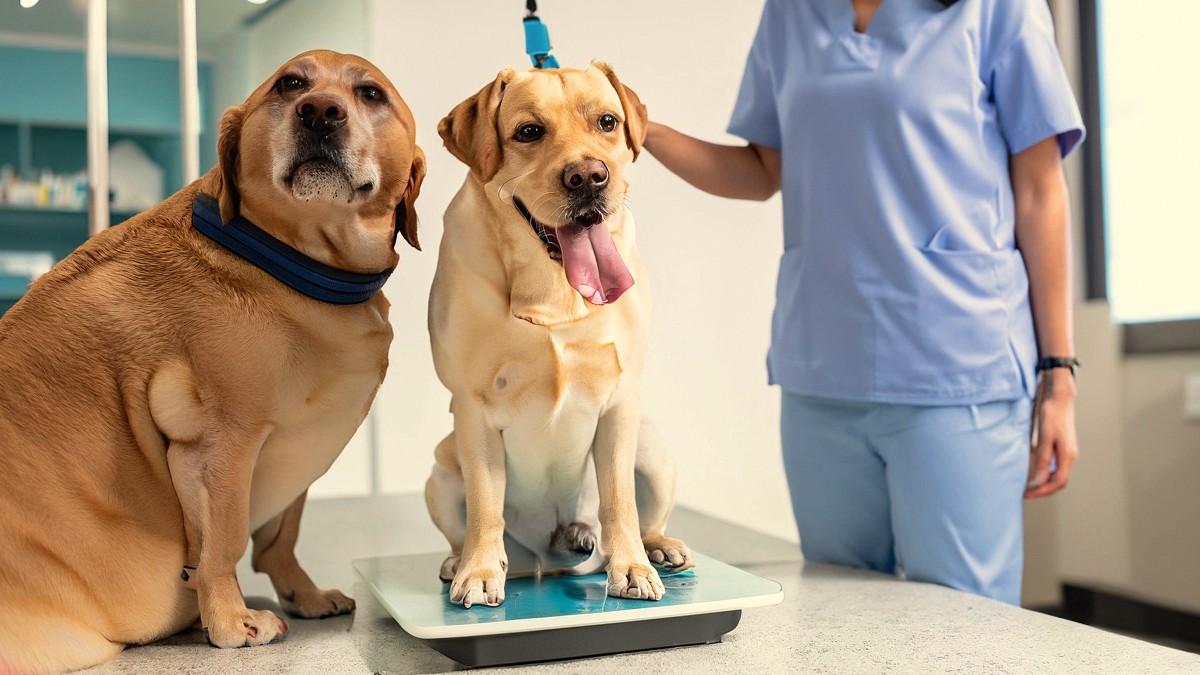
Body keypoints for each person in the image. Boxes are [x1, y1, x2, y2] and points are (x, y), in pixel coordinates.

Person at [643, 0, 1083, 605]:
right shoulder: (792, 14)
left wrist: (1058, 375)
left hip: (956, 366)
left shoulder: (999, 11)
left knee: (965, 626)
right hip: (823, 370)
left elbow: (1040, 192)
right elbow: (761, 170)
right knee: (843, 614)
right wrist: (641, 130)